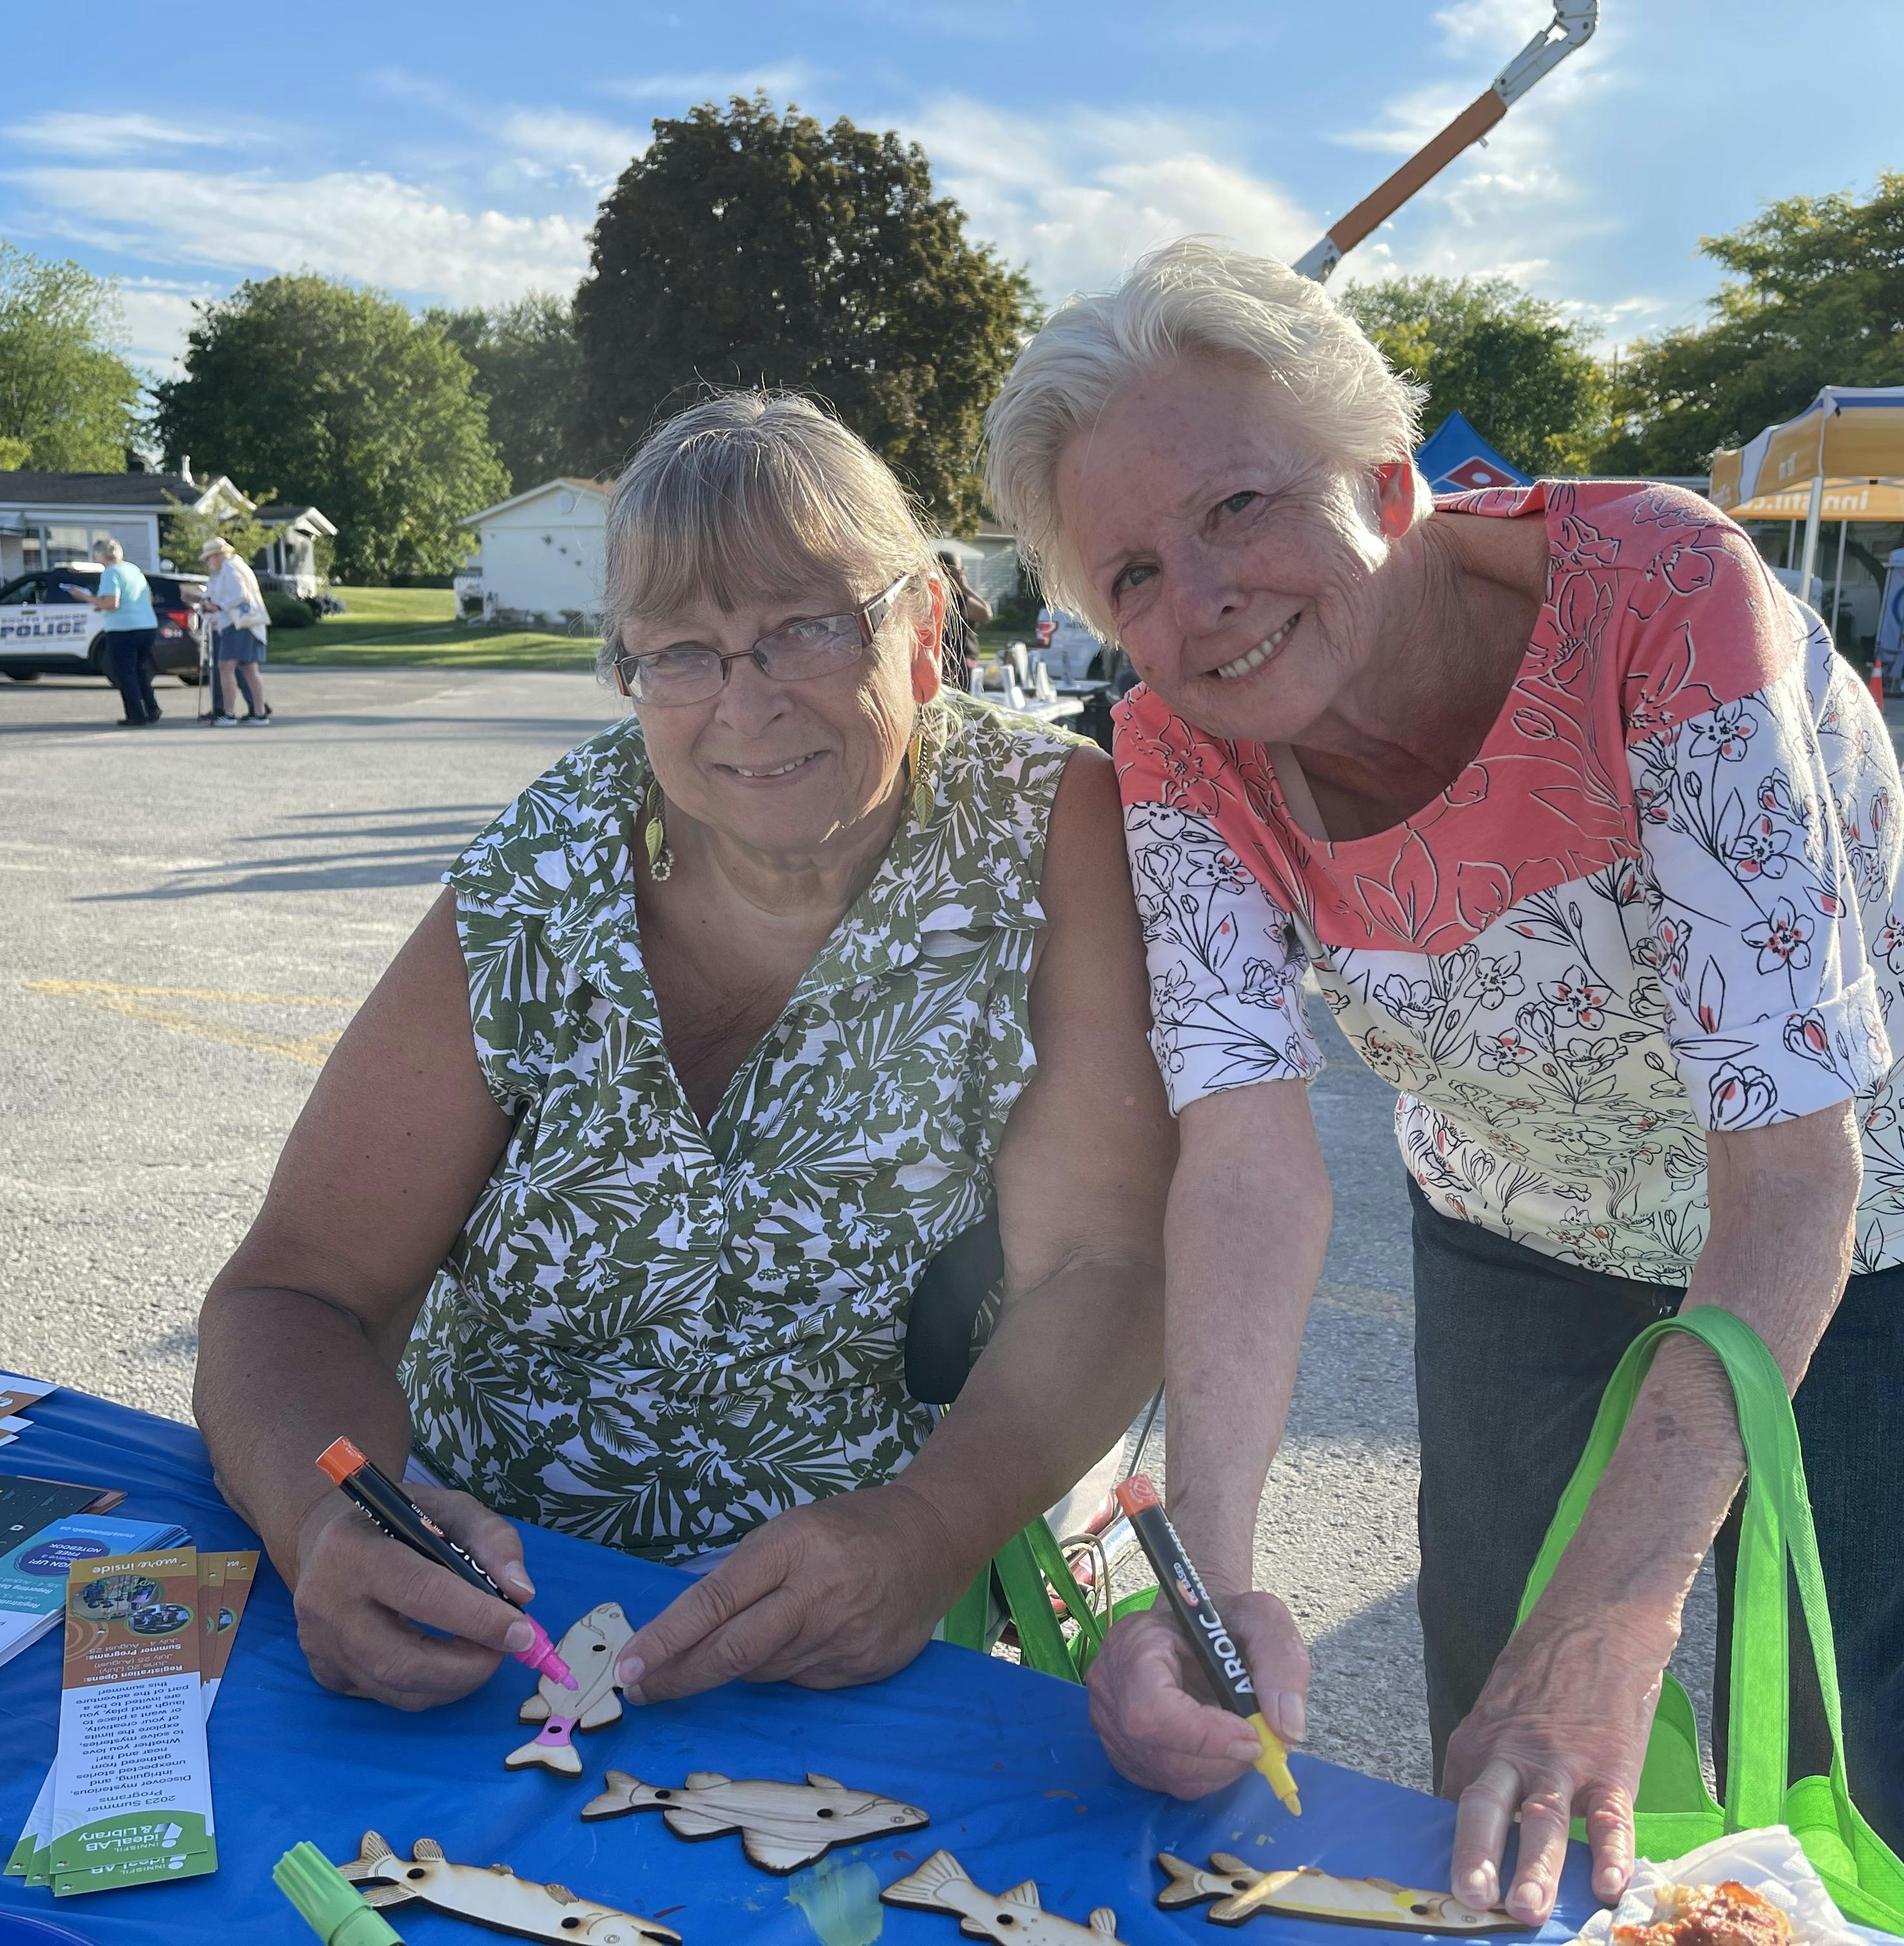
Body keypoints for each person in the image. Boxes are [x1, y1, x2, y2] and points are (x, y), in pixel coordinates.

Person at [982, 239, 1904, 1925]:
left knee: (1800, 1725)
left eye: (1241, 507)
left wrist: (1623, 1611)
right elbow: (1248, 1159)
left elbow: (1789, 1178)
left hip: (1883, 1208)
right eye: (1130, 575)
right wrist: (1207, 1576)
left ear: (1392, 482)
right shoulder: (1175, 742)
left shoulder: (1658, 596)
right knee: (1502, 1700)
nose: (1199, 604)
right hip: (1520, 1213)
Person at [192, 389, 1176, 1719]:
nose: (745, 704)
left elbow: (1100, 1266)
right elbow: (293, 1296)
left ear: (926, 630)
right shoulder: (551, 865)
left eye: (805, 631)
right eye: (682, 653)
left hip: (869, 1631)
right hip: (502, 1628)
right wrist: (337, 1521)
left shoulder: (1047, 828)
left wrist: (930, 1529)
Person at [66, 535, 160, 726]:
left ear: (101, 555)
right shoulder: (133, 569)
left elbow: (111, 603)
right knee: (140, 670)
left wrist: (85, 597)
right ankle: (151, 708)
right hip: (147, 625)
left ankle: (136, 715)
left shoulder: (111, 573)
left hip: (124, 628)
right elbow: (148, 596)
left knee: (124, 672)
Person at [199, 536, 273, 726]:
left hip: (239, 625)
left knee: (226, 666)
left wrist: (219, 606)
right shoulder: (235, 566)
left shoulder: (230, 568)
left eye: (209, 558)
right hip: (248, 624)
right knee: (249, 668)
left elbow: (240, 595)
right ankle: (259, 713)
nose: (208, 562)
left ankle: (229, 713)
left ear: (217, 555)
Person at [935, 548, 994, 689]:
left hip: (951, 661)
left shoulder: (938, 595)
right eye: (961, 570)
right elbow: (986, 613)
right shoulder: (955, 600)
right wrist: (965, 586)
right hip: (960, 662)